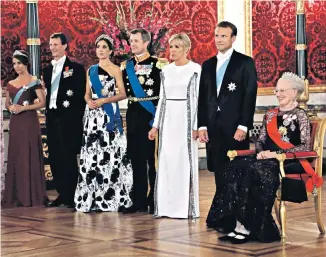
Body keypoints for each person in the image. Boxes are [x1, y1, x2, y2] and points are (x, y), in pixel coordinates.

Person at [206, 72, 322, 243]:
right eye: (276, 90)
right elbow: (261, 141)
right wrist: (260, 152)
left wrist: (276, 154)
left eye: (282, 90)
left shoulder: (300, 115)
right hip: (267, 159)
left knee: (254, 170)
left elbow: (305, 146)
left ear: (294, 93)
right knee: (233, 166)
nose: (278, 94)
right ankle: (236, 223)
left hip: (290, 161)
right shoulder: (270, 114)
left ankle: (247, 227)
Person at [74, 35, 133, 212]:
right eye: (98, 46)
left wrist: (104, 101)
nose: (100, 50)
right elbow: (86, 93)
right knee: (92, 156)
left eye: (104, 47)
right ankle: (91, 198)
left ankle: (109, 196)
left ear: (110, 51)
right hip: (93, 117)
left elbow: (123, 94)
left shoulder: (116, 70)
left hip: (109, 116)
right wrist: (89, 101)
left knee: (109, 155)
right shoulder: (90, 70)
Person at [197, 21, 258, 186]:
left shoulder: (245, 63)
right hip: (212, 125)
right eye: (216, 35)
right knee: (218, 169)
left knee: (237, 169)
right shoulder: (208, 65)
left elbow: (249, 95)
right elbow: (202, 96)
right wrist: (202, 126)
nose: (219, 39)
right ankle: (222, 210)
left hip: (235, 125)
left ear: (233, 38)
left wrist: (244, 126)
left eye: (223, 36)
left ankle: (237, 210)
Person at [148, 33, 200, 219]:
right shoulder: (166, 71)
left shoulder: (195, 70)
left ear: (187, 48)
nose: (174, 50)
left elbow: (198, 101)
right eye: (172, 46)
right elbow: (162, 100)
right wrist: (156, 126)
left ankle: (184, 208)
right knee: (167, 161)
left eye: (178, 46)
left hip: (185, 122)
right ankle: (165, 208)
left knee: (184, 162)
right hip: (168, 121)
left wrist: (197, 126)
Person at [121, 28, 168, 214]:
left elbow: (163, 94)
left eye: (136, 41)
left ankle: (154, 198)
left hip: (151, 117)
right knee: (136, 159)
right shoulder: (126, 66)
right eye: (131, 41)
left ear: (146, 42)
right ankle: (138, 199)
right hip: (133, 115)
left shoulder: (159, 65)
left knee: (152, 160)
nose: (132, 44)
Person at [42, 33, 86, 208]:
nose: (52, 48)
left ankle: (72, 194)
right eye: (50, 44)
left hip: (68, 118)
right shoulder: (47, 70)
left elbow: (80, 94)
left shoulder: (75, 68)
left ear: (65, 46)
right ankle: (62, 193)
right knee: (55, 156)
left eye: (56, 44)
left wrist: (75, 118)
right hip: (51, 116)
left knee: (68, 156)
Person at [2, 50, 48, 207]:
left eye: (19, 63)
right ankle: (18, 195)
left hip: (29, 121)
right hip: (16, 122)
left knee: (30, 154)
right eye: (14, 64)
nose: (16, 67)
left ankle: (31, 194)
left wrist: (24, 109)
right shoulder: (11, 84)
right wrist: (11, 107)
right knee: (17, 155)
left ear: (26, 64)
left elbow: (42, 102)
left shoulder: (34, 81)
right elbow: (7, 103)